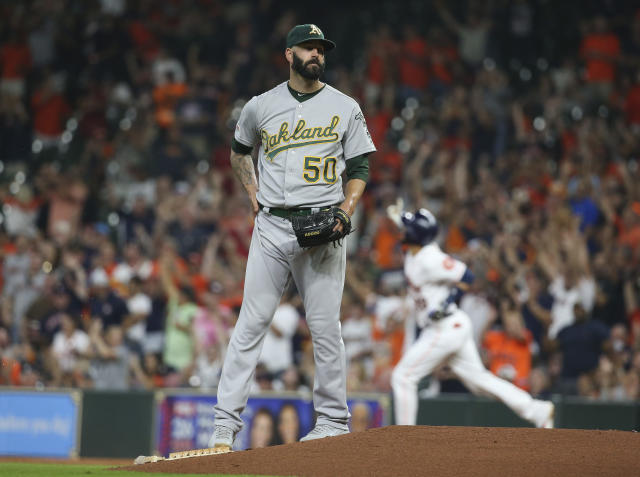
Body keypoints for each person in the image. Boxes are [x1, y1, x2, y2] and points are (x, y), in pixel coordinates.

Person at [211, 23, 376, 448]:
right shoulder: (260, 106)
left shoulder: (345, 106)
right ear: (289, 54)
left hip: (322, 225)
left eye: (321, 48)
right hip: (272, 225)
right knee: (251, 324)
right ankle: (224, 426)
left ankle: (333, 421)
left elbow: (359, 166)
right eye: (308, 47)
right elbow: (239, 150)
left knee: (324, 328)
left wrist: (347, 207)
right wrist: (251, 193)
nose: (316, 54)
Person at [389, 208, 555, 428]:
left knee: (403, 376)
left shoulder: (431, 258)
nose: (402, 232)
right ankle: (537, 411)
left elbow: (467, 276)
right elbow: (410, 230)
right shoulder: (414, 249)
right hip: (443, 327)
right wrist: (398, 215)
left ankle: (403, 437)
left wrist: (449, 299)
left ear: (415, 235)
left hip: (445, 326)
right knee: (479, 382)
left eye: (406, 229)